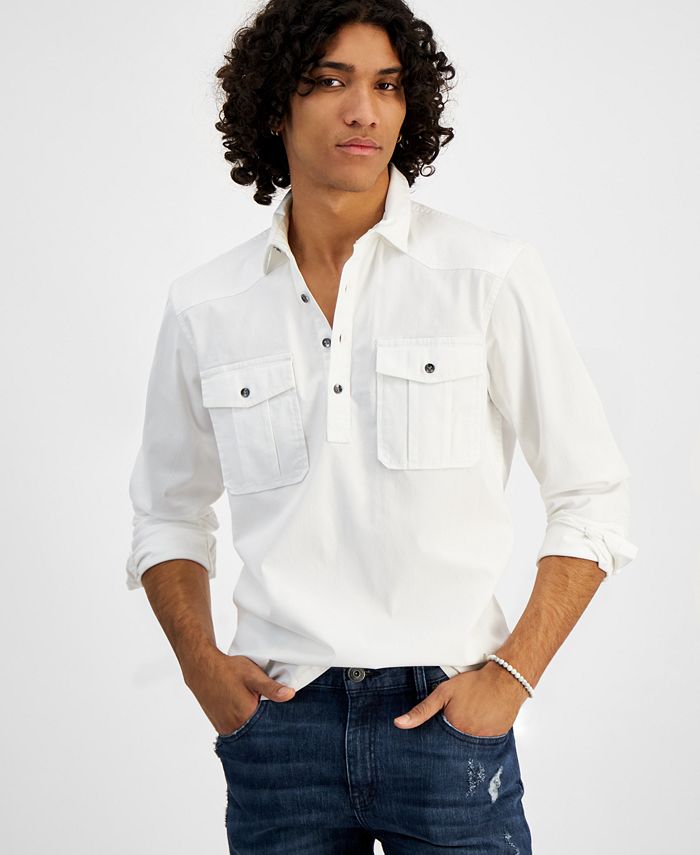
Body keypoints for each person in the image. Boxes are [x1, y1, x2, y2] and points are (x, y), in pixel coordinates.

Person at [125, 1, 638, 852]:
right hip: (279, 720)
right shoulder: (206, 304)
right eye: (330, 81)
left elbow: (592, 494)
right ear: (274, 105)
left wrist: (509, 677)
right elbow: (167, 512)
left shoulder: (486, 274)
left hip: (448, 719)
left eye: (387, 85)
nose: (363, 111)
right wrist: (201, 667)